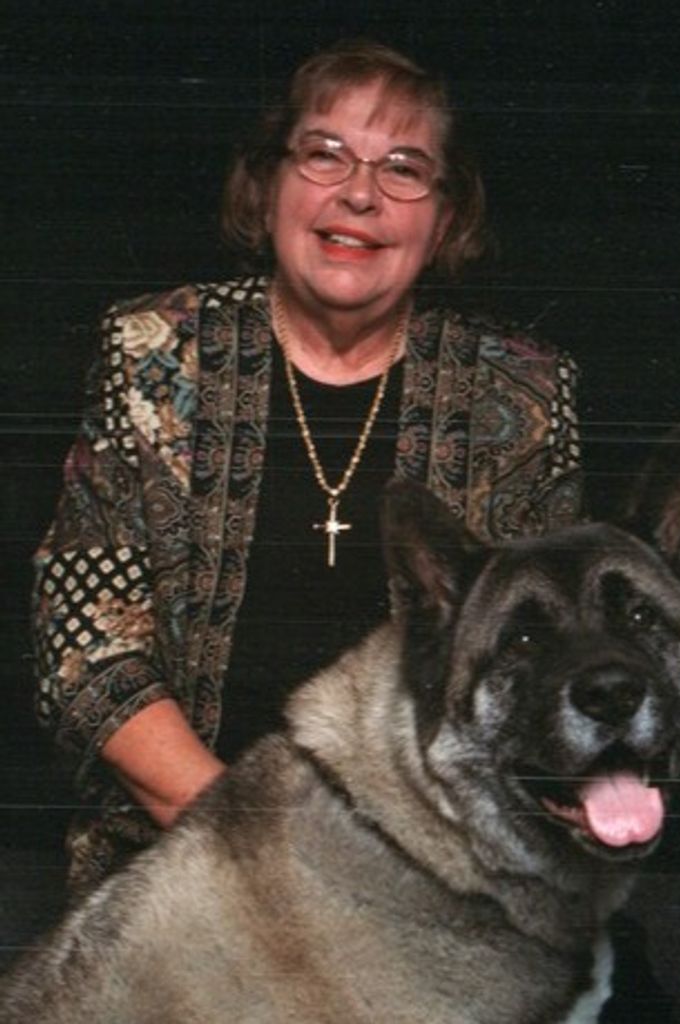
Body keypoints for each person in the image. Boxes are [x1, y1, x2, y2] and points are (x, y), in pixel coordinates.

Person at [31, 39, 583, 894]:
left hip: (431, 873)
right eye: (325, 154)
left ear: (444, 220)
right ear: (267, 185)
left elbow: (536, 669)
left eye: (403, 169)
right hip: (181, 861)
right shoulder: (154, 352)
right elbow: (86, 645)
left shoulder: (523, 391)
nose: (359, 194)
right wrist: (257, 843)